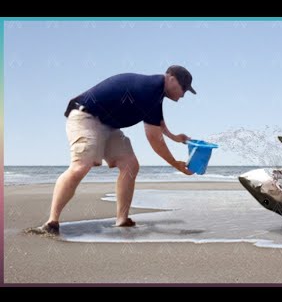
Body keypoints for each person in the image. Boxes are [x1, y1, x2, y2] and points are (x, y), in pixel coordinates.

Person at [31, 65, 196, 235]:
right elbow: (154, 139)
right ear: (171, 78)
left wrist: (176, 138)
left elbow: (157, 124)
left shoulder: (155, 92)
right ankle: (52, 221)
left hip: (108, 125)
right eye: (183, 88)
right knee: (81, 165)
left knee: (130, 165)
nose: (183, 94)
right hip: (86, 117)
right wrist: (176, 165)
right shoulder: (150, 90)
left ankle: (122, 219)